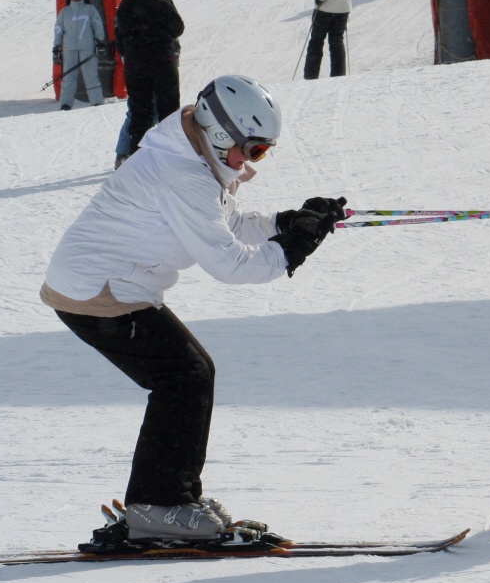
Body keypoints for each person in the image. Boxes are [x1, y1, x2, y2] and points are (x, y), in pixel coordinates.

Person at [40, 74, 350, 541]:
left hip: (107, 286)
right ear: (223, 134)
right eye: (254, 149)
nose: (251, 161)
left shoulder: (189, 157)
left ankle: (171, 496)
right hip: (97, 291)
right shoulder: (182, 173)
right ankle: (159, 505)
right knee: (184, 376)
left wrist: (289, 222)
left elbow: (227, 225)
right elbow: (230, 265)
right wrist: (292, 249)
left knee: (189, 373)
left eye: (261, 152)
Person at [114, 0, 184, 162]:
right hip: (163, 61)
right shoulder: (163, 1)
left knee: (139, 112)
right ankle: (169, 156)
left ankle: (136, 158)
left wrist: (130, 51)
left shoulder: (128, 2)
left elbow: (119, 33)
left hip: (136, 64)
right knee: (168, 111)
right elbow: (178, 27)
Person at [52, 0, 107, 111]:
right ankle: (65, 103)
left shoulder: (90, 9)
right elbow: (58, 29)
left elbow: (97, 25)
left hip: (87, 48)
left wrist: (99, 41)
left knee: (91, 75)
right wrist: (57, 47)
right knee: (68, 77)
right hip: (69, 49)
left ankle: (96, 101)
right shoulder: (65, 12)